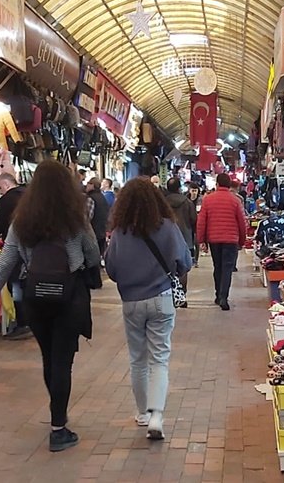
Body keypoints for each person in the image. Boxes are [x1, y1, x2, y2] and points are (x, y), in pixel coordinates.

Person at [0, 160, 101, 453]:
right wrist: (86, 267)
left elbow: (7, 258)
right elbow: (93, 252)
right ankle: (58, 426)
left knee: (49, 357)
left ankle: (57, 415)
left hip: (35, 298)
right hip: (68, 297)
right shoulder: (74, 219)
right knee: (63, 361)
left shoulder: (23, 220)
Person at [105, 178, 191, 441]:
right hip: (162, 297)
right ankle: (156, 416)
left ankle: (143, 413)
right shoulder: (167, 227)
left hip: (131, 301)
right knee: (159, 359)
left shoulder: (120, 232)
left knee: (137, 359)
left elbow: (111, 269)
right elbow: (185, 261)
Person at [0, 172, 30, 340]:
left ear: (5, 184)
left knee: (15, 283)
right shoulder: (29, 194)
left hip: (16, 247)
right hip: (34, 247)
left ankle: (22, 323)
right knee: (27, 283)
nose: (0, 191)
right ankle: (31, 320)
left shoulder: (6, 200)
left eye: (0, 187)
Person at [197, 173, 246, 311]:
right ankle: (224, 297)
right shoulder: (235, 200)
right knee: (227, 269)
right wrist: (242, 241)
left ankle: (218, 295)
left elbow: (201, 221)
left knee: (217, 267)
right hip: (231, 240)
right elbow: (242, 223)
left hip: (214, 239)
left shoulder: (208, 200)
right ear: (229, 185)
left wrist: (201, 240)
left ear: (217, 184)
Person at [164, 177, 196, 305]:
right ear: (179, 188)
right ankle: (182, 295)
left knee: (166, 266)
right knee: (183, 267)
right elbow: (193, 219)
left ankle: (169, 294)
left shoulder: (162, 203)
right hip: (184, 237)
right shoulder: (187, 202)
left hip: (166, 238)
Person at [85, 177, 110, 255]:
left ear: (92, 185)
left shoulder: (91, 198)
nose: (86, 185)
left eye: (88, 183)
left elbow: (87, 218)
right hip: (102, 232)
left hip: (93, 234)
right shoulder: (102, 197)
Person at [186, 182, 203, 267]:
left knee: (196, 242)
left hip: (197, 223)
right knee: (188, 242)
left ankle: (196, 260)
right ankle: (189, 259)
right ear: (189, 190)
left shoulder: (200, 200)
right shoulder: (185, 199)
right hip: (188, 223)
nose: (194, 193)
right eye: (192, 191)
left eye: (195, 191)